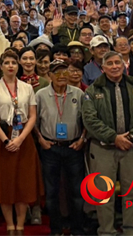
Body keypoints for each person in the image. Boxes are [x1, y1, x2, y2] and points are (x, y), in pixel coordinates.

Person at [81, 51, 133, 236]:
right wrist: (114, 137)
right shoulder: (92, 90)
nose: (114, 67)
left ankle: (131, 231)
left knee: (132, 193)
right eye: (110, 64)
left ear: (124, 66)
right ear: (103, 68)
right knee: (104, 194)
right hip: (103, 148)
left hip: (130, 147)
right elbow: (90, 120)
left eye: (117, 63)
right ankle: (106, 231)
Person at [0, 48, 43, 233]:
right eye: (7, 63)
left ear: (18, 66)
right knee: (4, 183)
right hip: (1, 136)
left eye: (13, 63)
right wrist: (5, 140)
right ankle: (10, 225)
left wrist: (20, 139)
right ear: (1, 66)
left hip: (23, 137)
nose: (10, 66)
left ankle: (20, 225)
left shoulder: (27, 88)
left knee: (23, 183)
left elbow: (32, 115)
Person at [34, 59, 86, 236]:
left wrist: (82, 139)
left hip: (73, 147)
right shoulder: (40, 95)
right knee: (51, 193)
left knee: (77, 192)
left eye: (65, 72)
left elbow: (87, 120)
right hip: (50, 148)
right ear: (50, 75)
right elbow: (34, 121)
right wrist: (40, 139)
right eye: (57, 73)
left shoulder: (78, 94)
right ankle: (55, 229)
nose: (62, 76)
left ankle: (77, 229)